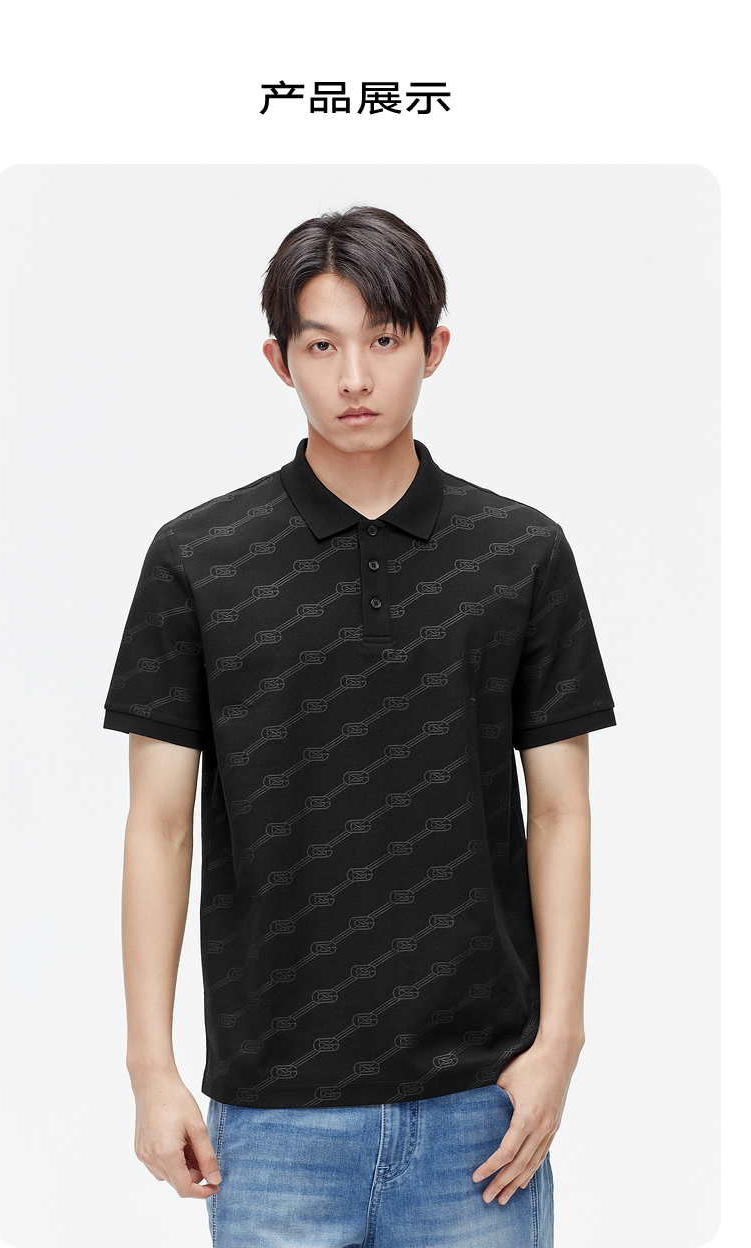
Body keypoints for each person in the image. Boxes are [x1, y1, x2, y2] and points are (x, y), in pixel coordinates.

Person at [103, 205, 616, 1247]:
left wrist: (559, 1042)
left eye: (383, 340)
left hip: (481, 1110)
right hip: (272, 1116)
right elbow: (158, 825)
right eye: (321, 346)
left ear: (434, 348)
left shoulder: (520, 554)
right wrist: (151, 1070)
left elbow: (561, 811)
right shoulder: (200, 558)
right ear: (278, 360)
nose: (354, 378)